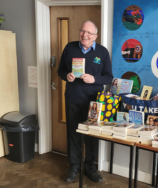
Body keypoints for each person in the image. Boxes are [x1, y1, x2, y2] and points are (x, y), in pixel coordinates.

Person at [57, 20, 113, 183]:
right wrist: (65, 76)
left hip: (93, 103)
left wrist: (94, 79)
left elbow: (108, 77)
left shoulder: (102, 52)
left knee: (91, 136)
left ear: (95, 36)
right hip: (73, 99)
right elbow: (60, 70)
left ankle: (90, 167)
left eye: (89, 33)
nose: (84, 35)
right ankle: (74, 166)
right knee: (73, 134)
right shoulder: (70, 47)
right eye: (82, 31)